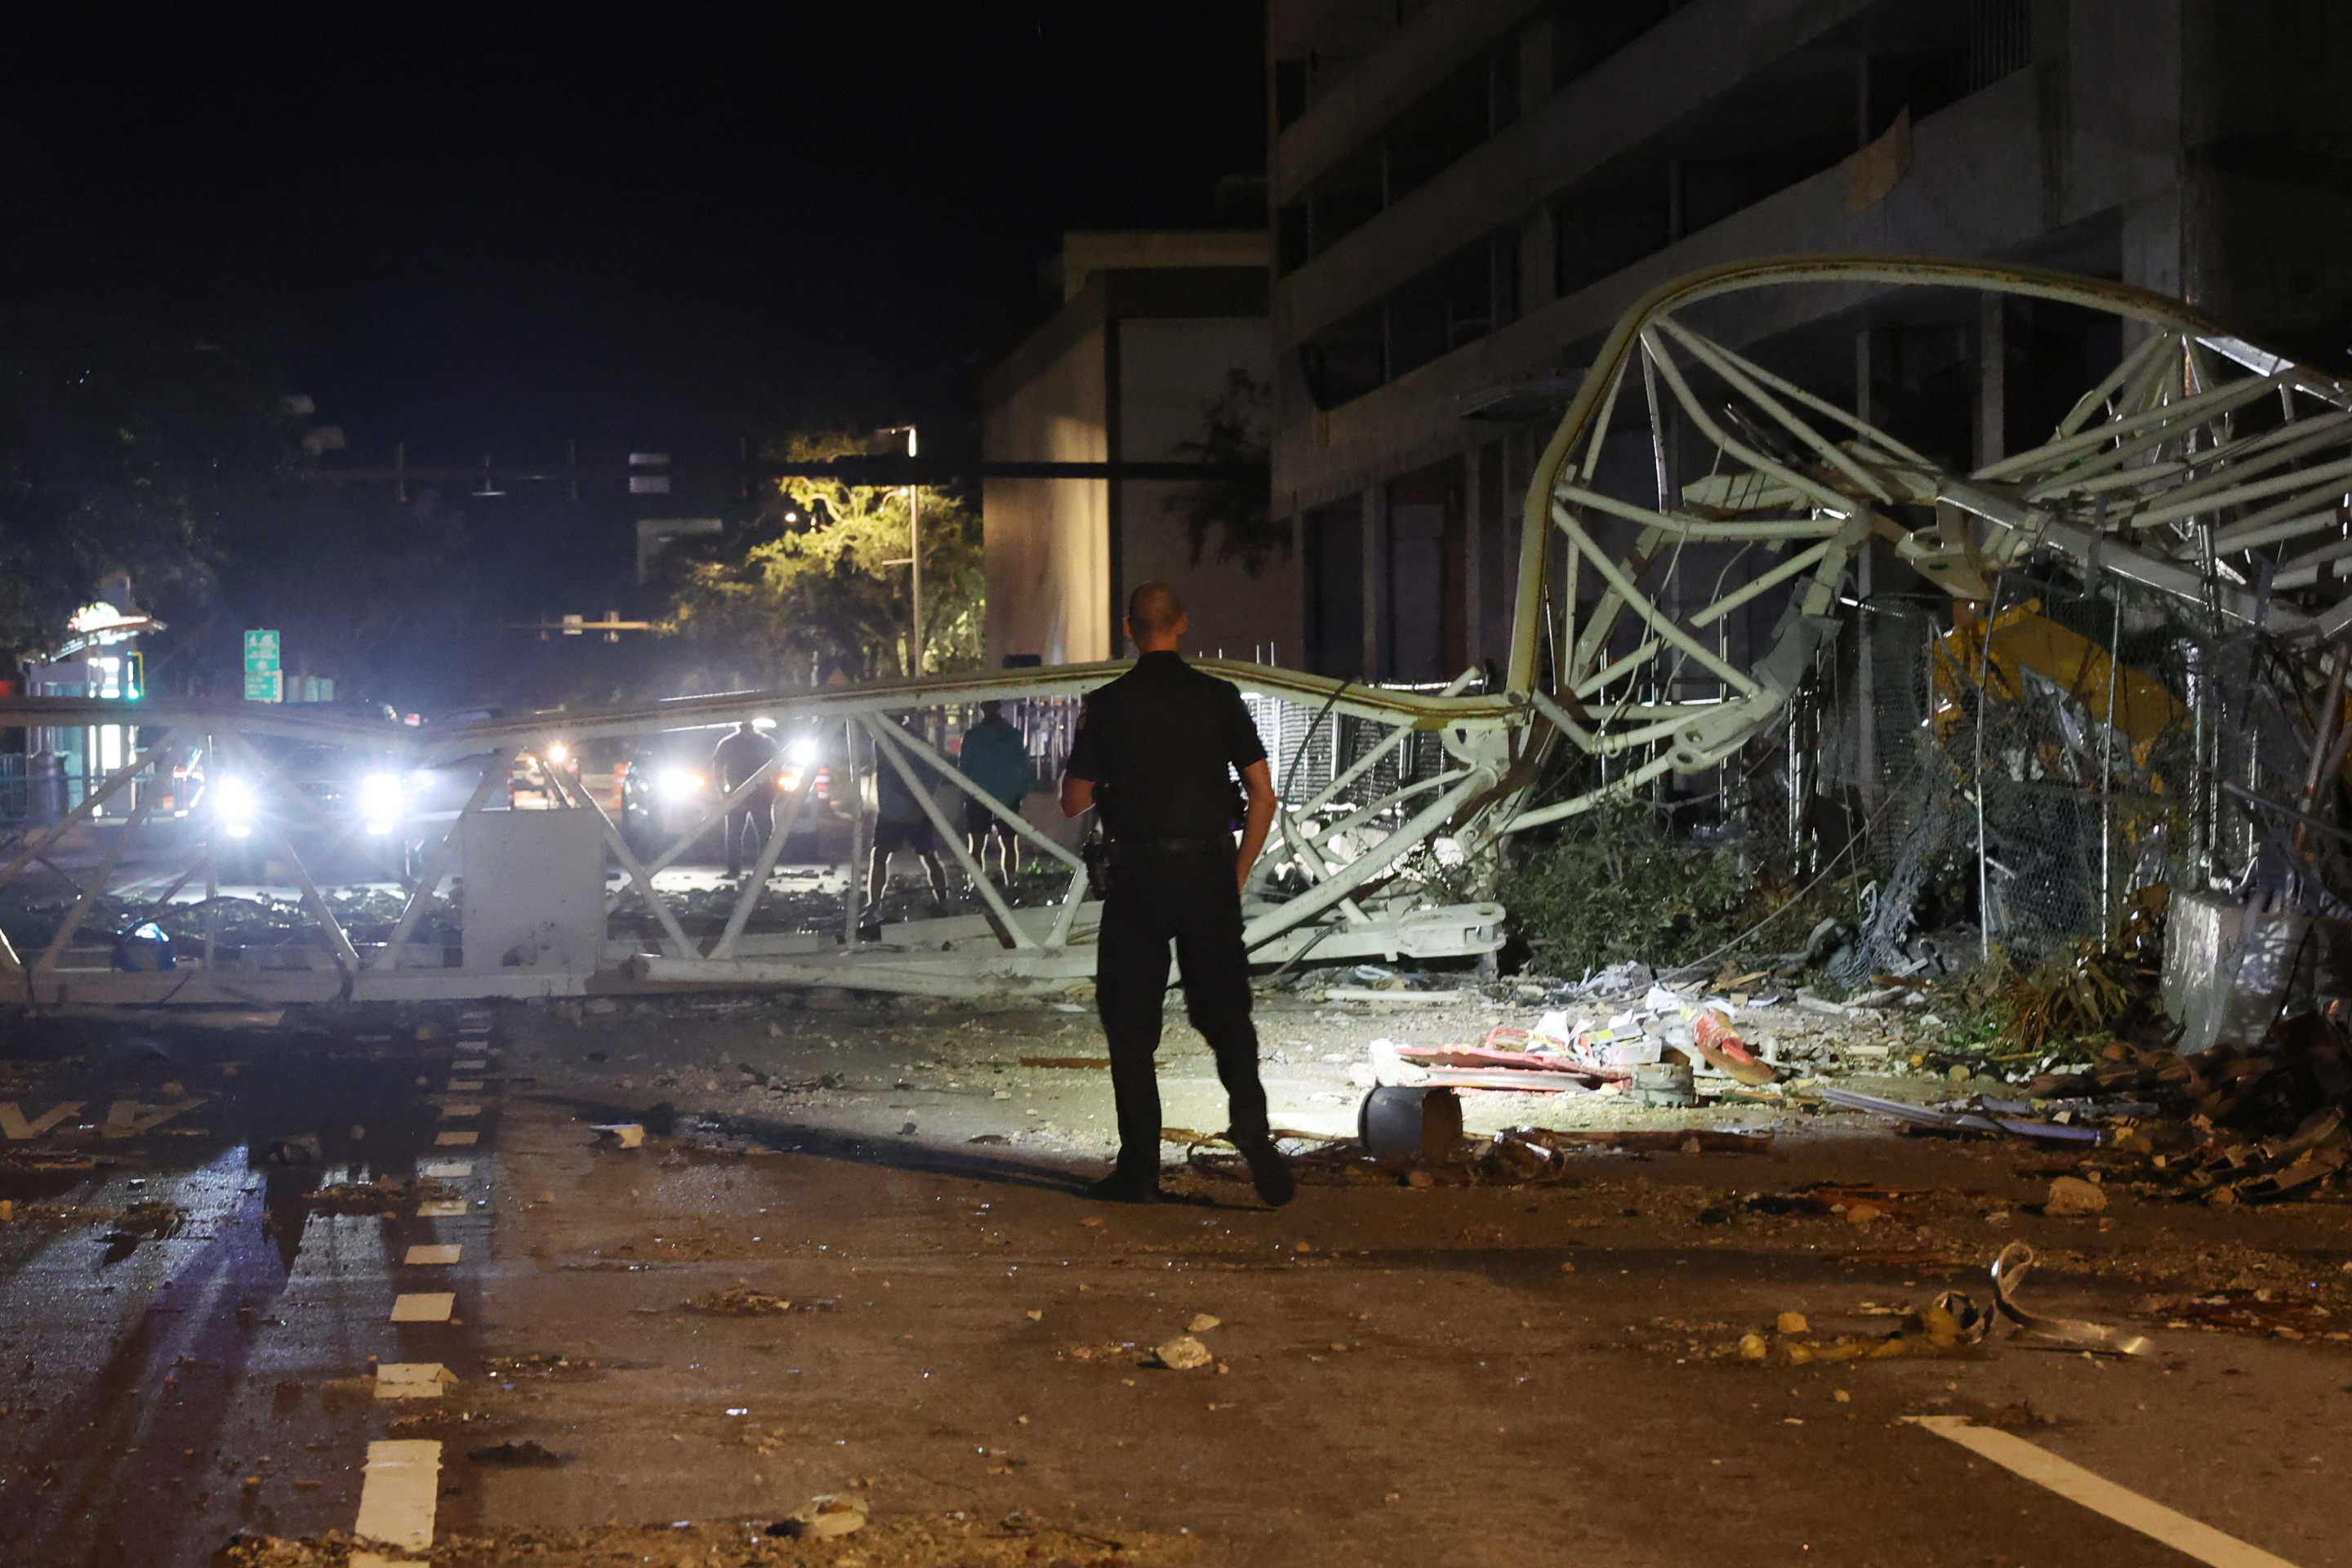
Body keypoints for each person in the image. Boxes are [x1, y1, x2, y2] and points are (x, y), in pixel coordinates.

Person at [1061, 581, 1293, 1207]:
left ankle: (1139, 1169)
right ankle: (1252, 1129)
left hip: (1138, 877)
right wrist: (1238, 872)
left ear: (1129, 629)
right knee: (1224, 1014)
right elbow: (1263, 796)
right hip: (1207, 871)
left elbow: (1072, 800)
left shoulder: (1106, 705)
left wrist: (1110, 778)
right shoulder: (1219, 698)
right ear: (1182, 625)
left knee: (1131, 1025)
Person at [864, 714, 949, 931]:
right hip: (896, 811)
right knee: (885, 856)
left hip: (910, 810)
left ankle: (942, 901)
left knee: (926, 856)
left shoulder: (911, 743)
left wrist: (920, 804)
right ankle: (874, 904)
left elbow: (933, 773)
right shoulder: (884, 741)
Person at [956, 700, 1034, 884]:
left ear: (982, 709)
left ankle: (975, 886)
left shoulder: (973, 736)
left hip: (978, 795)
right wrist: (1019, 793)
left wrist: (965, 795)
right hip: (1007, 796)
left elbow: (964, 768)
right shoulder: (1013, 735)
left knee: (976, 846)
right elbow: (1024, 767)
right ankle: (1011, 884)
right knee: (1008, 843)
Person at [711, 720, 779, 878]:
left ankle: (736, 870)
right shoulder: (766, 742)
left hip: (742, 794)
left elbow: (717, 769)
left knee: (737, 834)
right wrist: (775, 790)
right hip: (756, 794)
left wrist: (722, 792)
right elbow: (777, 767)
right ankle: (766, 869)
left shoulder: (728, 743)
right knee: (763, 834)